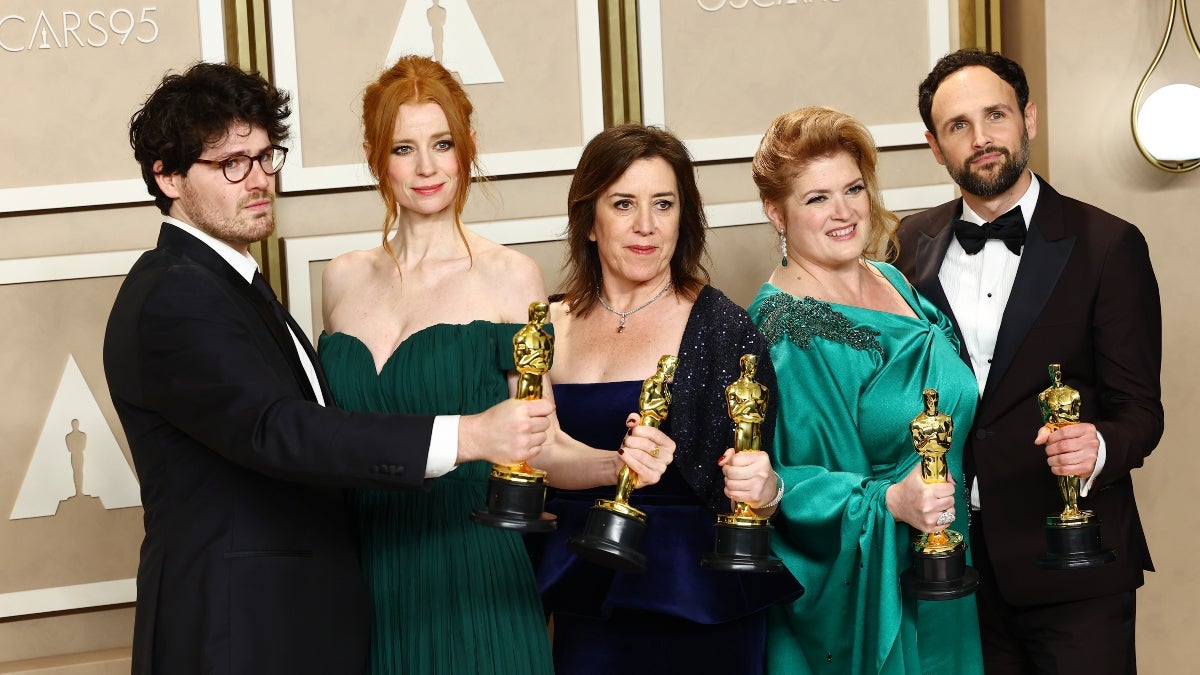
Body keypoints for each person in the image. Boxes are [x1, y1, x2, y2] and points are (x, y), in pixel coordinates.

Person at [104, 61, 552, 675]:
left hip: (393, 592)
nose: (257, 180)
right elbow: (278, 429)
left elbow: (540, 439)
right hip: (236, 629)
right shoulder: (177, 293)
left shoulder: (232, 284)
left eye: (265, 157)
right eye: (231, 163)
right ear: (168, 176)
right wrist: (468, 435)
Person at [894, 48, 1163, 675]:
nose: (981, 138)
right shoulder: (906, 245)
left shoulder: (1109, 244)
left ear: (1028, 119)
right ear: (934, 145)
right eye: (958, 125)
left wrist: (1097, 445)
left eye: (996, 115)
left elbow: (1141, 413)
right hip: (953, 570)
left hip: (1076, 564)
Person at [318, 55, 565, 675]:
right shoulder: (341, 279)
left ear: (466, 148)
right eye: (404, 148)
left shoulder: (513, 277)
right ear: (376, 158)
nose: (427, 167)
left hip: (474, 573)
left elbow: (544, 441)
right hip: (363, 575)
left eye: (442, 144)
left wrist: (619, 467)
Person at [533, 123, 803, 675]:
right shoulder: (546, 324)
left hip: (698, 600)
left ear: (684, 218)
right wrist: (613, 464)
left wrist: (766, 491)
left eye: (663, 203)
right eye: (623, 204)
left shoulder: (724, 328)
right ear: (589, 221)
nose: (646, 225)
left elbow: (754, 489)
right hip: (582, 588)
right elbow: (531, 453)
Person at [745, 106, 983, 674]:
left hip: (945, 567)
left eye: (853, 189)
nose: (844, 211)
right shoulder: (788, 330)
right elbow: (792, 487)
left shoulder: (889, 277)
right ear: (777, 214)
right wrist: (892, 502)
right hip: (878, 590)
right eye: (817, 198)